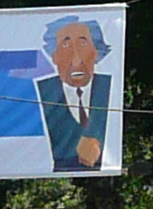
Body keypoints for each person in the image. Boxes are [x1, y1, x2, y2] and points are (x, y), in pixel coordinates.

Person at [33, 16, 112, 172]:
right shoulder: (40, 92)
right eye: (65, 45)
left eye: (83, 43)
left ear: (96, 52)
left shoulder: (110, 88)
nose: (76, 59)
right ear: (53, 56)